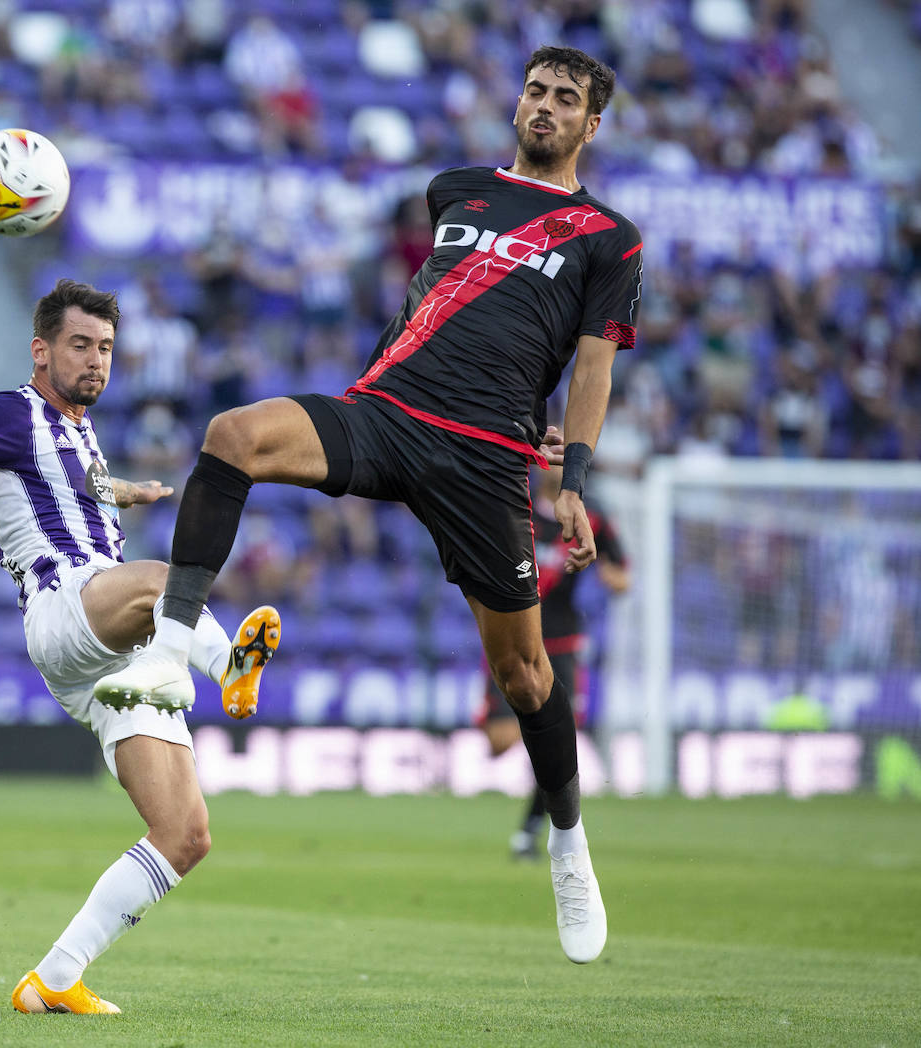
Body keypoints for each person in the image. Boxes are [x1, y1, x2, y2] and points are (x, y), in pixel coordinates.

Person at [94, 45, 643, 965]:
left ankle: (567, 840)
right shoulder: (457, 191)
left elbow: (593, 369)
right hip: (384, 416)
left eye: (566, 99)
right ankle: (167, 655)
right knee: (234, 435)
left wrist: (575, 479)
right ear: (519, 102)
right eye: (536, 90)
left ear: (592, 124)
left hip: (485, 460)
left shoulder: (607, 237)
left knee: (527, 679)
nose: (544, 106)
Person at [0, 279, 280, 1014]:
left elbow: (75, 490)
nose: (96, 361)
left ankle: (53, 980)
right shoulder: (13, 412)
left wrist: (123, 492)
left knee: (184, 834)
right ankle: (224, 665)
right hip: (66, 611)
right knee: (164, 579)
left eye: (105, 348)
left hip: (114, 660)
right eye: (80, 346)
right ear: (41, 350)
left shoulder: (79, 432)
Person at [480, 466, 629, 860]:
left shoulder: (590, 516)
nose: (558, 466)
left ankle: (529, 832)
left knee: (557, 744)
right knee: (499, 742)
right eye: (552, 458)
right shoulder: (517, 507)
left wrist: (607, 574)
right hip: (511, 637)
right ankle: (535, 742)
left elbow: (621, 573)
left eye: (567, 459)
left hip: (561, 643)